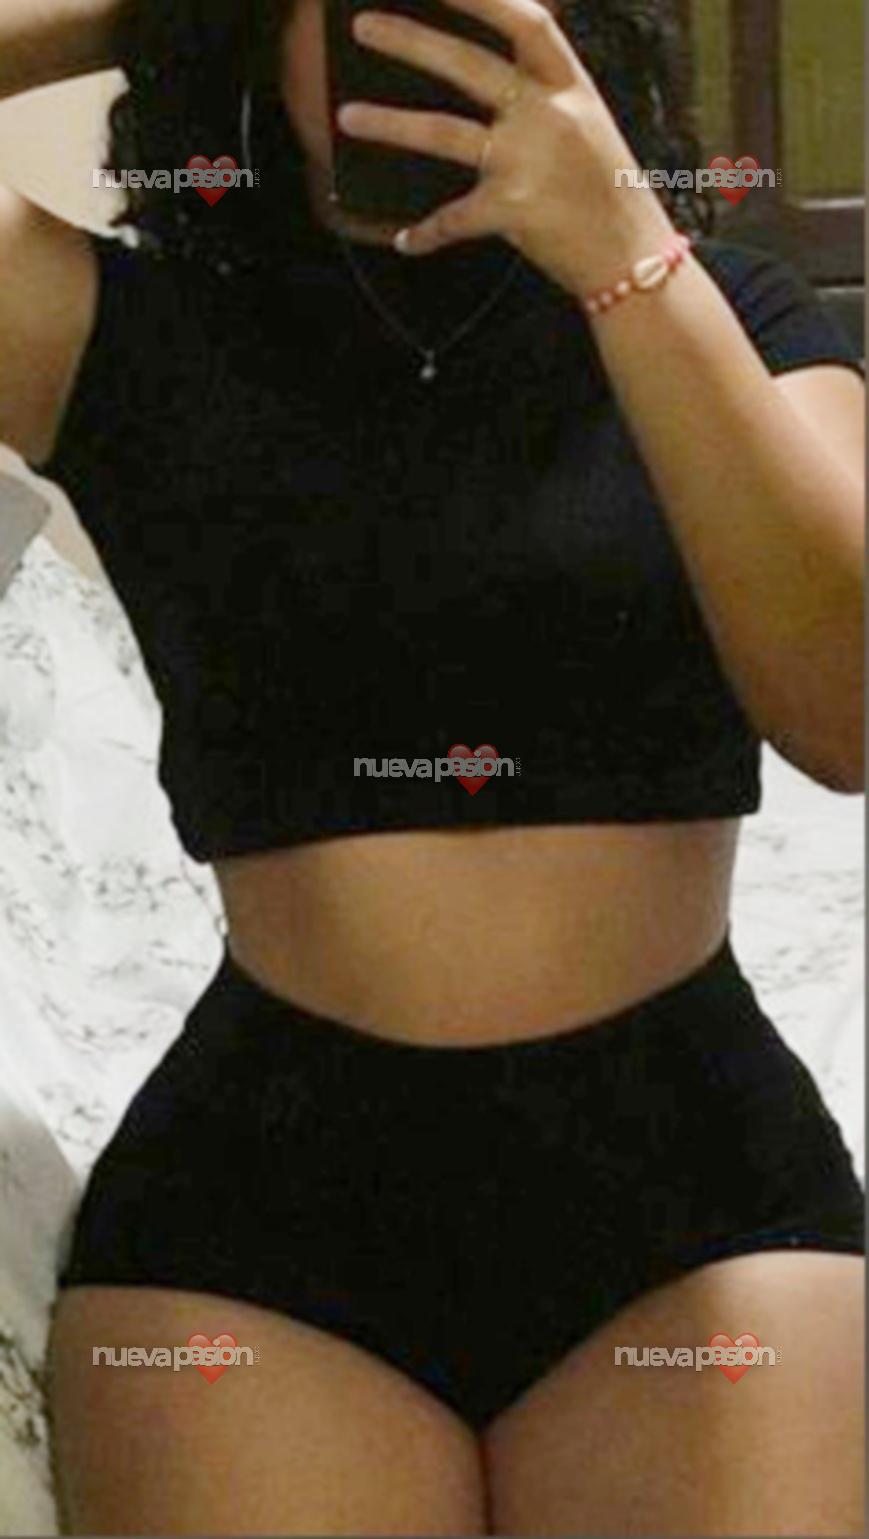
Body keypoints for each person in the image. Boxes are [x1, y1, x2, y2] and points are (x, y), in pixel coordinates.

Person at [0, 0, 864, 1532]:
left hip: (695, 1195)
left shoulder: (732, 314)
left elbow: (845, 714)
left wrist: (625, 259)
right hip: (259, 1225)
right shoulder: (125, 330)